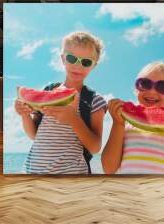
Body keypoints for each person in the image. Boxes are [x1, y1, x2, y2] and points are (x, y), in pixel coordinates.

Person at [15, 31, 107, 174]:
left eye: (86, 62)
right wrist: (24, 114)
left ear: (93, 66)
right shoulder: (49, 90)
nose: (78, 66)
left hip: (72, 174)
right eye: (71, 58)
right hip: (33, 170)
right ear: (63, 59)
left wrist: (73, 119)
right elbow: (34, 135)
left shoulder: (95, 100)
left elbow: (95, 147)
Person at [101, 61, 164, 175]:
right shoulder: (124, 124)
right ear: (136, 88)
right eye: (145, 84)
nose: (152, 91)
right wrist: (117, 124)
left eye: (163, 87)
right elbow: (109, 169)